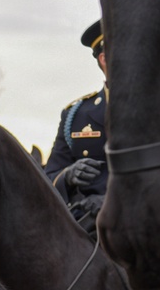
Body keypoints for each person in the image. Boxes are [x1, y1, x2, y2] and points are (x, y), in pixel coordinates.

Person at [44, 19, 108, 238]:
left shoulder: (154, 110)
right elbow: (49, 176)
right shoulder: (76, 114)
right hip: (86, 229)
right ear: (104, 59)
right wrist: (68, 176)